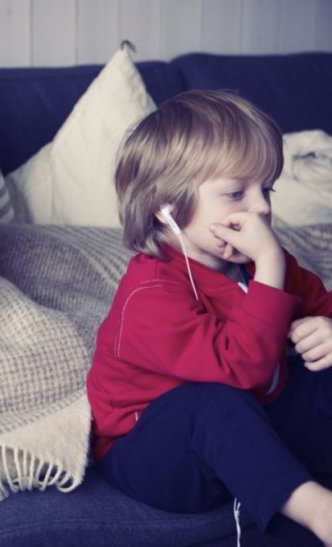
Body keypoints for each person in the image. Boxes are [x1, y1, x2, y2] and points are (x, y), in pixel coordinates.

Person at [86, 89, 332, 544]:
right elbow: (239, 372)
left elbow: (321, 303)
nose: (261, 208)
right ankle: (316, 510)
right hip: (158, 453)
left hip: (251, 418)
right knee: (212, 402)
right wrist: (270, 269)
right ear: (167, 207)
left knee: (319, 374)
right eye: (237, 192)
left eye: (266, 189)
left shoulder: (258, 260)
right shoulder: (149, 295)